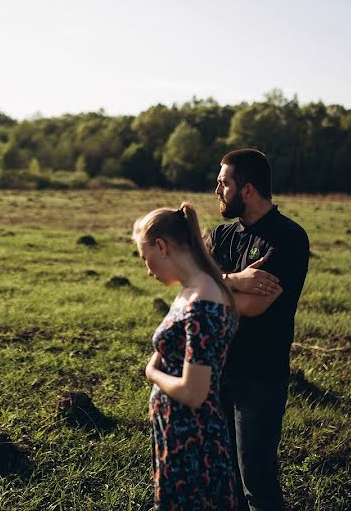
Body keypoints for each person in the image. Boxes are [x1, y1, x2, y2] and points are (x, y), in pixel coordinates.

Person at [208, 149, 310, 511]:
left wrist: (215, 288)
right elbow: (193, 291)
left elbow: (254, 306)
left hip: (260, 377)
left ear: (247, 190)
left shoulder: (288, 238)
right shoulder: (220, 236)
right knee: (226, 480)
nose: (217, 190)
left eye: (224, 183)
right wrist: (236, 279)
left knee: (258, 484)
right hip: (217, 371)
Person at [134, 203, 240, 510]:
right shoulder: (191, 290)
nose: (148, 269)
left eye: (146, 258)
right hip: (178, 434)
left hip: (194, 443)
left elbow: (194, 393)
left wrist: (152, 373)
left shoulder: (204, 299)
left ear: (162, 246)